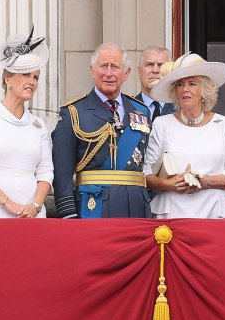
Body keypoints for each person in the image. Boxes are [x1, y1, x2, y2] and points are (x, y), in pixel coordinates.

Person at [51, 42, 152, 219]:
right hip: (93, 207)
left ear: (126, 73)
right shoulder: (73, 112)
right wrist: (68, 215)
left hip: (136, 207)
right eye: (103, 66)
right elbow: (62, 173)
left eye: (115, 67)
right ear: (92, 70)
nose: (109, 73)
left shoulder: (142, 111)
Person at [143, 53, 225, 219]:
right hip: (171, 213)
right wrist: (169, 184)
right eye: (180, 85)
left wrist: (205, 182)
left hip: (214, 211)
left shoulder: (223, 124)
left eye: (192, 84)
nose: (185, 89)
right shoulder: (162, 124)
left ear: (204, 90)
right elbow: (146, 173)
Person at [0, 30, 53, 218]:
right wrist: (10, 205)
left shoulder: (39, 125)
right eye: (26, 75)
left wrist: (35, 206)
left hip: (31, 217)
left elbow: (46, 172)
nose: (32, 82)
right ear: (8, 79)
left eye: (36, 77)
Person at [133, 46, 174, 123]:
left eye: (161, 65)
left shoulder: (181, 109)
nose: (155, 70)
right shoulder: (128, 107)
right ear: (139, 71)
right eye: (149, 64)